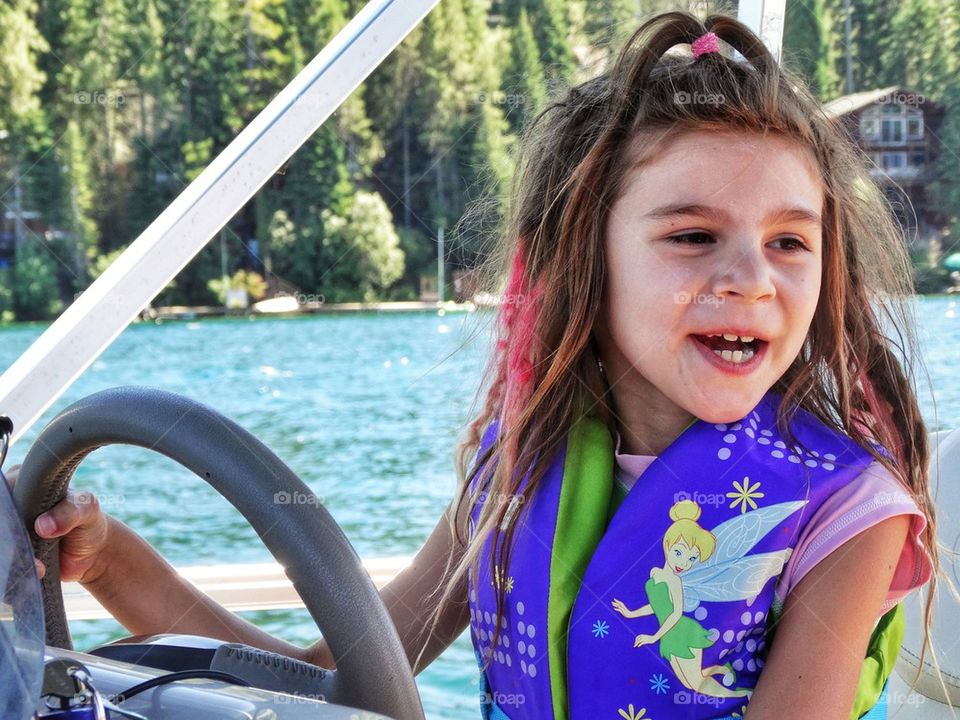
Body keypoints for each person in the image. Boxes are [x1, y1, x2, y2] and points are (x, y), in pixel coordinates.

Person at [18, 10, 938, 720]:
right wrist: (111, 565)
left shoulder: (849, 516)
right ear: (583, 258)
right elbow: (334, 681)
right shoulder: (515, 475)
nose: (751, 280)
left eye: (789, 242)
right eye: (693, 236)